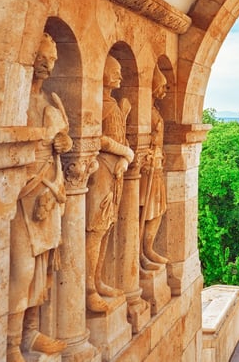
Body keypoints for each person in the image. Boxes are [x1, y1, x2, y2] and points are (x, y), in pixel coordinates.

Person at [8, 33, 71, 361]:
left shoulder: (53, 101)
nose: (48, 64)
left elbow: (65, 142)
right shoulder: (14, 101)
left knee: (44, 270)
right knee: (21, 273)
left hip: (49, 198)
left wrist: (65, 144)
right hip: (22, 196)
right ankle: (8, 344)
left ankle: (30, 334)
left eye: (52, 59)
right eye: (42, 56)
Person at [85, 55, 134, 312]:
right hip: (100, 174)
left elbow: (116, 136)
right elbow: (99, 140)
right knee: (95, 228)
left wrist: (124, 160)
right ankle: (88, 289)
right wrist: (125, 153)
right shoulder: (98, 104)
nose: (120, 77)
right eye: (114, 71)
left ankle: (97, 280)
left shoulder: (112, 103)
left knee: (105, 228)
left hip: (114, 173)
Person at [140, 67, 169, 270]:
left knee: (158, 210)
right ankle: (142, 252)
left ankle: (148, 249)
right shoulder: (146, 113)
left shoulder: (154, 111)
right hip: (147, 170)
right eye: (162, 87)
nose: (165, 92)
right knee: (146, 211)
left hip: (157, 166)